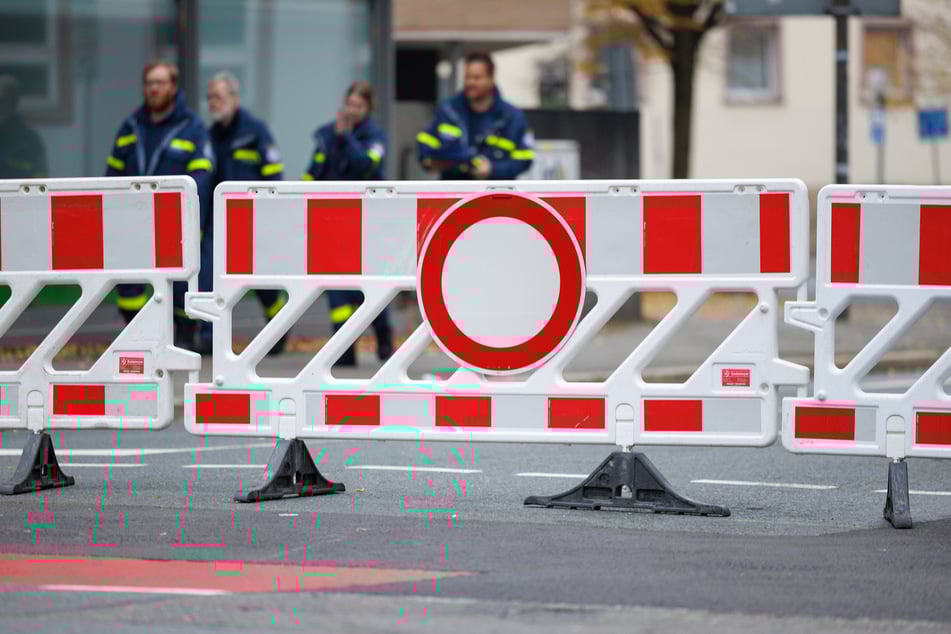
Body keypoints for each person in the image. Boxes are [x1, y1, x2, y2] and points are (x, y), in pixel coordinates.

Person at [105, 61, 214, 350]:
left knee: (179, 289)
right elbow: (112, 174)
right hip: (134, 223)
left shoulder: (192, 128)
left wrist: (191, 223)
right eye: (149, 82)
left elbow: (201, 179)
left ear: (173, 87)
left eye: (161, 82)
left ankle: (182, 342)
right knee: (130, 289)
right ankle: (140, 342)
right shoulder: (131, 126)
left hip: (173, 224)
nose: (154, 88)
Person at [303, 81, 393, 366]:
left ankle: (383, 335)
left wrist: (346, 139)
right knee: (335, 285)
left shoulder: (375, 136)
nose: (352, 110)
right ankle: (343, 346)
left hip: (366, 221)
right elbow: (314, 171)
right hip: (331, 220)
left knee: (369, 284)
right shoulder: (327, 135)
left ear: (367, 109)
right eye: (349, 104)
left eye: (359, 106)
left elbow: (365, 165)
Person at [206, 71, 288, 356]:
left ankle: (278, 326)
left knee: (261, 283)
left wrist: (270, 215)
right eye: (210, 98)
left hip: (254, 220)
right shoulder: (211, 135)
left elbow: (274, 174)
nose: (213, 103)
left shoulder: (255, 131)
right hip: (220, 221)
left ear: (234, 98)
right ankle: (211, 337)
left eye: (218, 97)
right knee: (214, 277)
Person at [417, 52, 534, 180]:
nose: (470, 82)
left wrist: (492, 169)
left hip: (494, 194)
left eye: (477, 78)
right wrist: (431, 161)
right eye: (467, 77)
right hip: (454, 193)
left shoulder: (512, 117)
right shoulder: (448, 110)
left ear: (491, 78)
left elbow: (524, 159)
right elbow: (425, 144)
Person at [0, 75, 48, 179]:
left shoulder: (29, 141)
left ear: (13, 102)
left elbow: (40, 180)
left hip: (19, 195)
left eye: (2, 100)